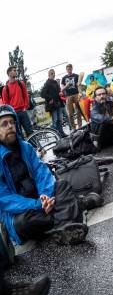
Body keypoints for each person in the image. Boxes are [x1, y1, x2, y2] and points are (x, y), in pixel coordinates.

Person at [0, 105, 101, 245]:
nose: (10, 126)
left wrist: (46, 196)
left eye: (12, 122)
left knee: (62, 185)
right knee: (23, 223)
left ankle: (62, 225)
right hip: (22, 211)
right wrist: (38, 204)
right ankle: (74, 209)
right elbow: (5, 199)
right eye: (4, 124)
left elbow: (41, 172)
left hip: (41, 199)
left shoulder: (26, 147)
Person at [2, 67, 34, 138]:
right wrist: (11, 114)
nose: (16, 71)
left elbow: (26, 96)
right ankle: (23, 149)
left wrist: (25, 107)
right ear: (9, 73)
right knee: (19, 134)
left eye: (16, 70)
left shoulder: (21, 83)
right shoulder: (5, 88)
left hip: (23, 111)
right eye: (14, 70)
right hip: (14, 114)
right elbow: (6, 104)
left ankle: (35, 148)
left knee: (30, 131)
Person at [40, 69, 67, 138]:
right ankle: (57, 135)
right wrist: (50, 99)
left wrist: (61, 93)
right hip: (52, 105)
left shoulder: (55, 82)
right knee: (55, 121)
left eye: (54, 73)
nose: (53, 75)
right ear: (49, 75)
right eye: (52, 73)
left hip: (58, 103)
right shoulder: (47, 83)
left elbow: (59, 92)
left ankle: (61, 133)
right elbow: (42, 94)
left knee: (59, 120)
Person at [61, 64, 83, 130]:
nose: (69, 70)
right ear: (66, 70)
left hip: (76, 94)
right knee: (70, 113)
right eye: (67, 69)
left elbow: (79, 85)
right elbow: (62, 88)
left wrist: (80, 92)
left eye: (70, 69)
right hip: (68, 96)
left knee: (79, 111)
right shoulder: (64, 78)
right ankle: (73, 128)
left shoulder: (76, 76)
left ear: (72, 69)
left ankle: (80, 126)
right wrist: (66, 86)